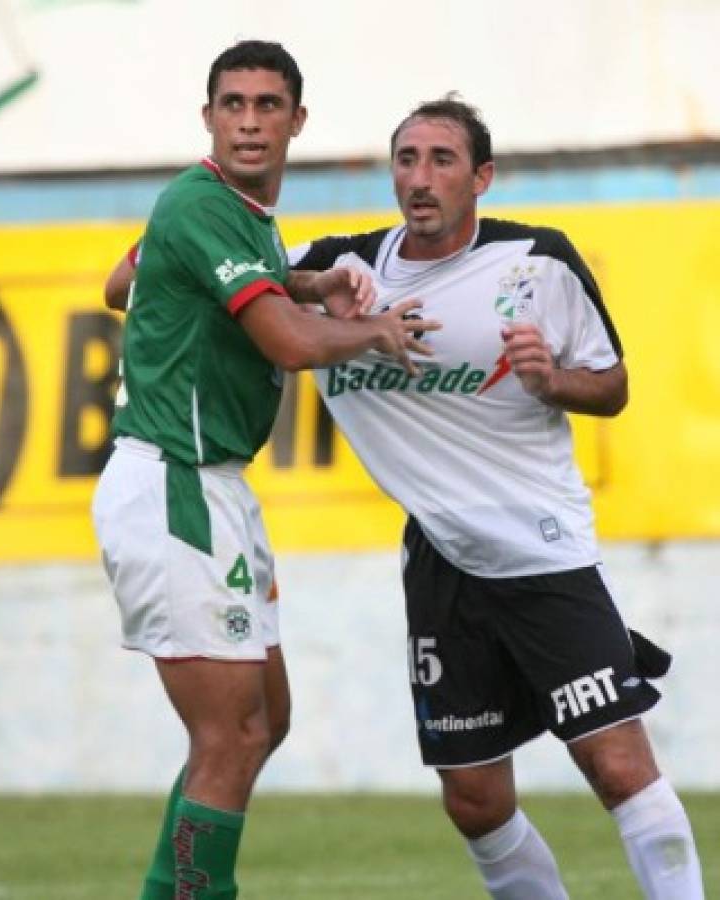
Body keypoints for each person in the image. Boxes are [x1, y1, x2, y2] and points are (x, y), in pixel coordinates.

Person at [287, 96, 705, 899]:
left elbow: (612, 386)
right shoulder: (346, 267)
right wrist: (310, 284)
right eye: (406, 159)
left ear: (481, 176)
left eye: (442, 160)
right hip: (441, 562)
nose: (420, 177)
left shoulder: (538, 262)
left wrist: (553, 380)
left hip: (542, 550)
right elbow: (210, 280)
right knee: (474, 800)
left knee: (616, 764)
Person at [92, 40, 436, 900]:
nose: (250, 121)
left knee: (263, 723)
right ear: (208, 117)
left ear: (296, 121)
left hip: (213, 489)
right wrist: (375, 331)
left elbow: (115, 282)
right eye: (234, 104)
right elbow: (282, 342)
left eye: (267, 105)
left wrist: (306, 282)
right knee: (234, 736)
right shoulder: (204, 203)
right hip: (174, 482)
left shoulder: (224, 215)